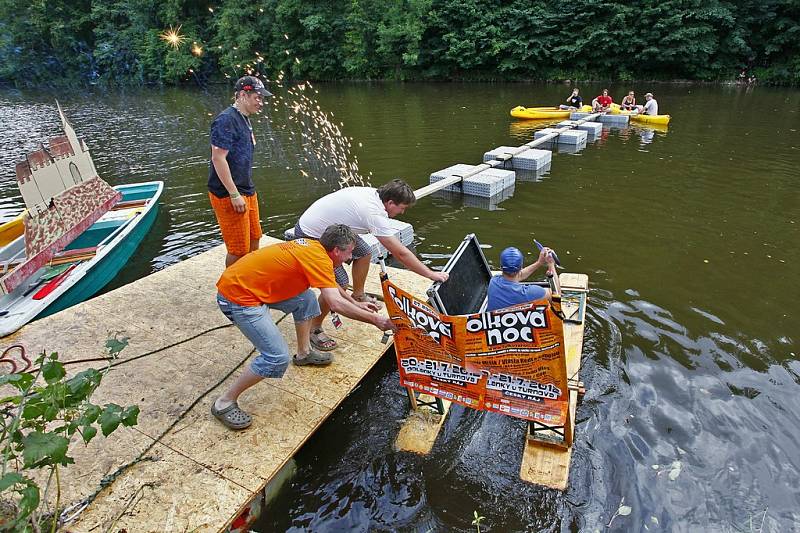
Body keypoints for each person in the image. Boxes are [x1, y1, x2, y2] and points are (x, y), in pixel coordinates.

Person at [211, 224, 395, 430]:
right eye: (350, 252)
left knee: (306, 298)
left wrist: (356, 303)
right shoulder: (320, 258)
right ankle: (224, 402)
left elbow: (331, 285)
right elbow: (335, 303)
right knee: (276, 357)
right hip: (237, 298)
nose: (351, 257)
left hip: (254, 285)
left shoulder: (315, 248)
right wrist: (377, 321)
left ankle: (304, 353)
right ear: (336, 251)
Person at [293, 179, 448, 352]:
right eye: (402, 208)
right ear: (390, 202)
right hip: (310, 235)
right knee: (340, 283)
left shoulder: (375, 194)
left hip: (330, 228)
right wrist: (430, 274)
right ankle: (315, 328)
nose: (402, 212)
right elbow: (401, 253)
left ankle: (358, 295)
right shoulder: (373, 213)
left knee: (364, 252)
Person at [208, 75, 272, 267]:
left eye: (262, 98)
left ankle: (250, 282)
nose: (261, 103)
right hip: (228, 193)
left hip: (246, 188)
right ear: (243, 95)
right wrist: (234, 194)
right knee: (238, 249)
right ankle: (231, 292)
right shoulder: (226, 120)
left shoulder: (244, 118)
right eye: (257, 98)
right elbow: (218, 158)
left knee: (254, 238)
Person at [486, 246, 557, 312]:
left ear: (501, 267)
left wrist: (539, 262)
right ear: (521, 267)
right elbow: (556, 297)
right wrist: (551, 264)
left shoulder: (493, 281)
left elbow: (519, 275)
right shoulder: (531, 293)